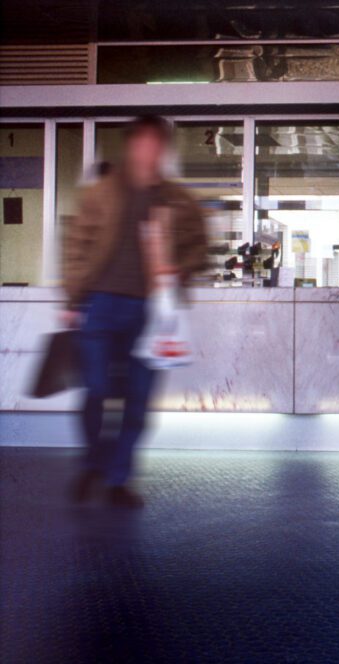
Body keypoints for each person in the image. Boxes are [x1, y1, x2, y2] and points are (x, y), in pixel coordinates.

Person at [62, 115, 208, 507]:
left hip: (151, 313)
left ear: (164, 148)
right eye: (142, 141)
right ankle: (96, 461)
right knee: (97, 390)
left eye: (156, 142)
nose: (149, 149)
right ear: (130, 145)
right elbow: (76, 246)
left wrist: (181, 266)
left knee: (138, 401)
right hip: (101, 304)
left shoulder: (177, 199)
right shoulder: (101, 193)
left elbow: (200, 247)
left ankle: (116, 479)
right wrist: (72, 300)